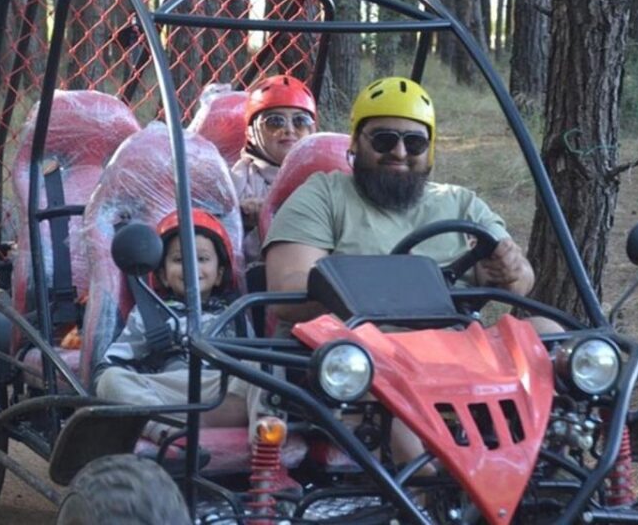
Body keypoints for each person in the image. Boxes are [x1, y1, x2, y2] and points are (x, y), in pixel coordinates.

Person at [263, 76, 561, 467]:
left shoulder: (460, 203)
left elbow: (520, 282)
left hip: (451, 352)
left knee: (550, 336)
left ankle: (555, 476)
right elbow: (289, 291)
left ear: (430, 149)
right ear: (356, 143)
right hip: (351, 358)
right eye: (383, 140)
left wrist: (509, 271)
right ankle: (428, 495)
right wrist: (409, 286)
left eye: (415, 142)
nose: (399, 152)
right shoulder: (323, 195)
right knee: (392, 383)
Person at [95, 209, 261, 445]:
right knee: (109, 380)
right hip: (171, 389)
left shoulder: (235, 314)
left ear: (219, 273)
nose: (191, 267)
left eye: (202, 259)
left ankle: (266, 439)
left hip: (220, 389)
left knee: (266, 363)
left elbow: (250, 362)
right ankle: (168, 429)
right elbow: (112, 364)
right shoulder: (149, 313)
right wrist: (143, 384)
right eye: (179, 260)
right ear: (162, 275)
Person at [231, 75, 317, 263]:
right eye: (275, 122)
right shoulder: (238, 180)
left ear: (313, 131)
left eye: (300, 121)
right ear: (252, 133)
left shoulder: (324, 175)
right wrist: (243, 218)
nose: (289, 130)